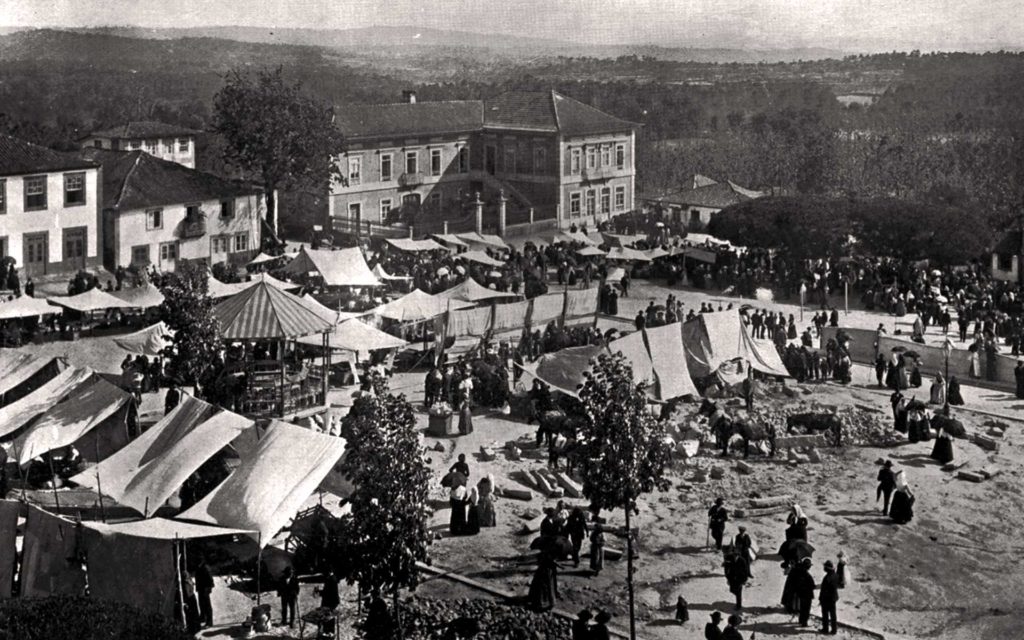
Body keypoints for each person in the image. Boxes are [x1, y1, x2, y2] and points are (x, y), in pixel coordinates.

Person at [819, 560, 840, 634]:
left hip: (826, 599)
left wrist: (820, 599)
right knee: (833, 614)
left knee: (825, 614)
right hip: (833, 598)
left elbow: (823, 590)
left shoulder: (827, 578)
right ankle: (834, 630)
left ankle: (825, 629)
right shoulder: (836, 575)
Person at [195, 559, 214, 628]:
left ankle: (209, 622)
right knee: (201, 604)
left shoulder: (206, 568)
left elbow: (210, 580)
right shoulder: (199, 567)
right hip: (201, 589)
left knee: (207, 606)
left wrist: (209, 588)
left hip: (205, 589)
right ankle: (203, 617)